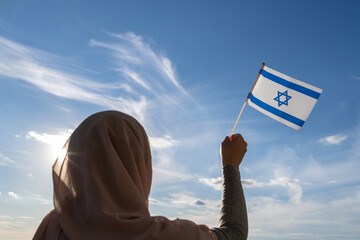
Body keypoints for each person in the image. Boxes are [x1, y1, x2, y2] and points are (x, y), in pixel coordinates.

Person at [33, 111, 248, 240]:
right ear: (138, 165)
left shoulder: (51, 227)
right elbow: (234, 234)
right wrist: (230, 165)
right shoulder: (154, 236)